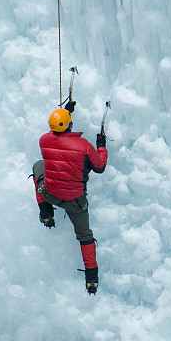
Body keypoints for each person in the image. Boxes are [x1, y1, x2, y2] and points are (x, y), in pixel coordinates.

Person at [32, 100, 108, 294]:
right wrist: (101, 147)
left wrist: (66, 112)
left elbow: (55, 137)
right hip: (75, 202)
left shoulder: (44, 140)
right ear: (69, 125)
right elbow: (99, 167)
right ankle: (92, 279)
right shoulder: (83, 146)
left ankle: (46, 213)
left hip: (50, 194)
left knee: (38, 166)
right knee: (85, 236)